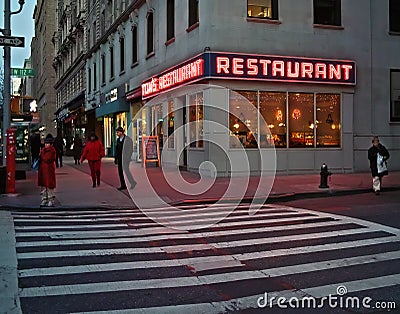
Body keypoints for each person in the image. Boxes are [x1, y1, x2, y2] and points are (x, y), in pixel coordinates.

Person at [38, 134, 57, 207]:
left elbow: (47, 159)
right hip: (43, 170)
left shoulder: (52, 151)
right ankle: (44, 199)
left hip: (49, 170)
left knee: (49, 185)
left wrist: (42, 156)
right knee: (44, 185)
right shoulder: (43, 150)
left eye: (47, 143)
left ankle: (50, 200)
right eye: (45, 143)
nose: (46, 145)